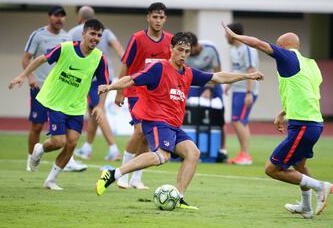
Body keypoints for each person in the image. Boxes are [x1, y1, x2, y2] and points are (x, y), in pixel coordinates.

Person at [95, 32, 264, 210]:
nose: (183, 54)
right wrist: (110, 87)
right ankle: (113, 174)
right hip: (156, 120)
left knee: (193, 153)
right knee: (163, 156)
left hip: (173, 125)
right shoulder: (158, 69)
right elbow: (131, 79)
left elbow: (218, 77)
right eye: (180, 50)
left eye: (187, 51)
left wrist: (247, 76)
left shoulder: (189, 73)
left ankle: (178, 196)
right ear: (171, 49)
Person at [222, 22, 333, 218]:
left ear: (282, 47)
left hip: (303, 125)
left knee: (273, 169)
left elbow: (258, 43)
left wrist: (235, 36)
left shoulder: (286, 56)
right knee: (300, 165)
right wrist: (283, 113)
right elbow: (307, 92)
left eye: (277, 46)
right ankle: (306, 207)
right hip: (314, 122)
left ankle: (320, 187)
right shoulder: (311, 64)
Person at [9, 19, 109, 190]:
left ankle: (50, 180)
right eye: (92, 33)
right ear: (84, 33)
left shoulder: (100, 59)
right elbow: (40, 59)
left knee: (72, 142)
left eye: (99, 35)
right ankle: (40, 149)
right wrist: (23, 75)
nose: (95, 38)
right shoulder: (66, 48)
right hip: (56, 102)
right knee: (59, 141)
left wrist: (100, 106)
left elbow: (104, 84)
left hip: (76, 106)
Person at [115, 2, 173, 189]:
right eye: (154, 17)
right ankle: (122, 175)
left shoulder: (169, 41)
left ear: (165, 19)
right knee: (139, 131)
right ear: (148, 17)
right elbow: (125, 65)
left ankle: (137, 179)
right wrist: (119, 90)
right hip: (135, 92)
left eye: (161, 17)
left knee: (147, 136)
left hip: (156, 96)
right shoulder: (137, 39)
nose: (158, 20)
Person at [22, 5, 86, 172]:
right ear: (50, 17)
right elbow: (26, 58)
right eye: (57, 16)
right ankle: (31, 158)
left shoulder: (67, 37)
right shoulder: (38, 35)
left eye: (63, 16)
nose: (60, 19)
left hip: (61, 92)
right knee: (37, 125)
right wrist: (30, 77)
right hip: (40, 88)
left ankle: (68, 160)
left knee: (66, 129)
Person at [69, 6, 125, 161]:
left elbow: (65, 52)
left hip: (87, 80)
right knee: (94, 111)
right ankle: (87, 148)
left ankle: (113, 149)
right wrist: (126, 68)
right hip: (107, 78)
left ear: (79, 18)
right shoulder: (105, 31)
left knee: (99, 110)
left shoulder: (75, 31)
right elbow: (120, 50)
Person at [185, 32, 228, 162]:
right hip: (193, 86)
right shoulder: (184, 53)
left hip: (212, 84)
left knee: (218, 117)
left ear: (196, 45)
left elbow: (218, 71)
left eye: (189, 49)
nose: (187, 52)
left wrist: (209, 89)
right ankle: (191, 149)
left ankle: (222, 149)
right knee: (189, 118)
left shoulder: (210, 48)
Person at [224, 23, 260, 165]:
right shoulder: (233, 49)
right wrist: (228, 84)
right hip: (237, 90)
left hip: (246, 91)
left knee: (237, 120)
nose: (225, 35)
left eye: (227, 33)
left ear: (233, 33)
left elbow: (251, 71)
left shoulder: (248, 49)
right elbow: (236, 70)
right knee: (241, 121)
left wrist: (249, 93)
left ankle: (245, 155)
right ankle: (244, 153)